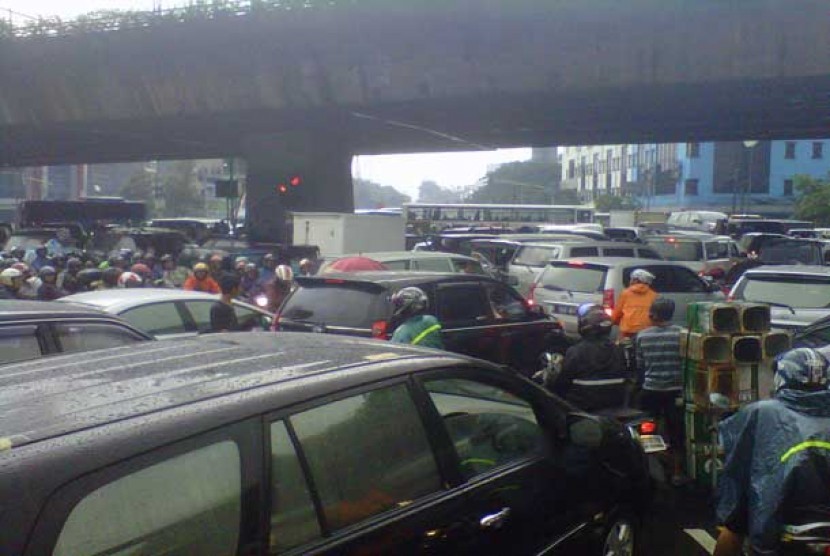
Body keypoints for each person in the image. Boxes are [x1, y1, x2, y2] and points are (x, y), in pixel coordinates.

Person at [714, 348, 830, 556]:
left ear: (781, 378)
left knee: (732, 527)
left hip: (774, 515)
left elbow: (737, 460)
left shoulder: (762, 411)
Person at [635, 297, 686, 484]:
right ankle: (677, 472)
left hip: (651, 391)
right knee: (677, 433)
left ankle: (650, 467)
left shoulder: (642, 336)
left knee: (647, 429)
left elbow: (640, 365)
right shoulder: (681, 334)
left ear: (653, 314)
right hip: (676, 392)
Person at [551, 303, 626, 412]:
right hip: (614, 402)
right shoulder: (619, 350)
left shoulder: (576, 351)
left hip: (583, 404)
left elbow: (563, 381)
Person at [612, 268, 658, 338]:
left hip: (628, 331)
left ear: (636, 280)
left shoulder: (625, 293)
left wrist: (615, 322)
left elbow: (617, 314)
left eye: (632, 279)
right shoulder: (654, 295)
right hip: (647, 331)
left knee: (622, 347)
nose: (630, 281)